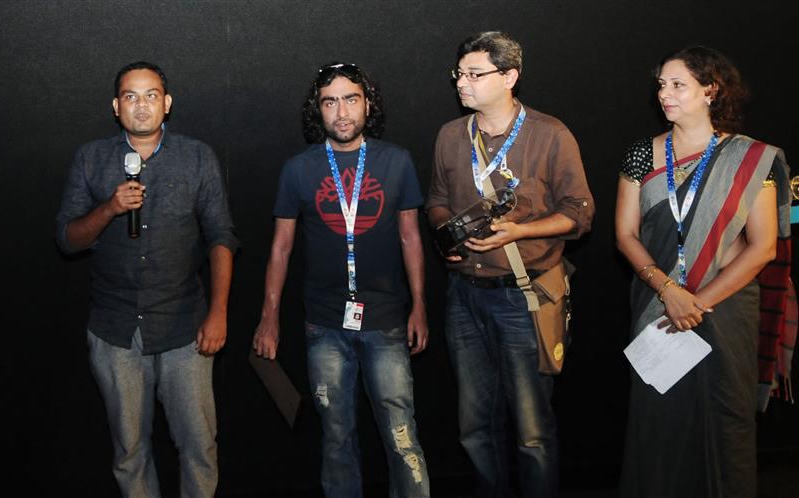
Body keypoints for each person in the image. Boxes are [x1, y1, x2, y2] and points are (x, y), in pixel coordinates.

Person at [55, 61, 238, 498]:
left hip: (184, 326)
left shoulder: (197, 157)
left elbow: (222, 237)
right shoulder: (92, 158)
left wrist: (218, 312)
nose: (141, 105)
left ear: (167, 103)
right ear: (116, 106)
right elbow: (67, 239)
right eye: (131, 96)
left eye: (151, 95)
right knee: (129, 450)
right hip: (116, 330)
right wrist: (109, 209)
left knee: (199, 446)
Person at [615, 46, 789, 498]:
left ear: (710, 90)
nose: (664, 94)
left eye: (678, 85)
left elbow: (763, 246)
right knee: (659, 420)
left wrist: (697, 301)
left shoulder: (750, 160)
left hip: (725, 308)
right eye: (661, 85)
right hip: (658, 303)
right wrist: (669, 291)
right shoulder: (641, 154)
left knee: (724, 421)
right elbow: (625, 235)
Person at [426, 32, 594, 498]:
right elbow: (436, 200)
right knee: (474, 427)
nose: (463, 82)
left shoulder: (550, 134)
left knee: (532, 431)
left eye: (475, 74)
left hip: (525, 297)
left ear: (510, 77)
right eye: (459, 73)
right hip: (464, 297)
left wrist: (520, 231)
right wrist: (448, 233)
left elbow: (580, 214)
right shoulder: (450, 135)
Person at [252, 62, 430, 498]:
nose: (342, 111)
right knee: (336, 436)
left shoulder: (397, 161)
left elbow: (411, 237)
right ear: (319, 109)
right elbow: (280, 248)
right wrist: (268, 316)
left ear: (367, 104)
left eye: (351, 99)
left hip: (387, 319)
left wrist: (420, 306)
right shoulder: (298, 169)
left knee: (401, 431)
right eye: (330, 101)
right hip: (324, 323)